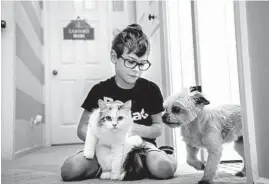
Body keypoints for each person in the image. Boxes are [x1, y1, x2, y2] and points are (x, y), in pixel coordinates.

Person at [60, 23, 177, 181]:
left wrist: (133, 129)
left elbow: (157, 129)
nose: (137, 69)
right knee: (70, 170)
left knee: (163, 168)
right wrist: (105, 137)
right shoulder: (99, 91)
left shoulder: (151, 89)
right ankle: (111, 167)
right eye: (130, 61)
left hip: (140, 146)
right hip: (105, 149)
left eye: (142, 63)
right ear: (114, 57)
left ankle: (161, 154)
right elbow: (82, 128)